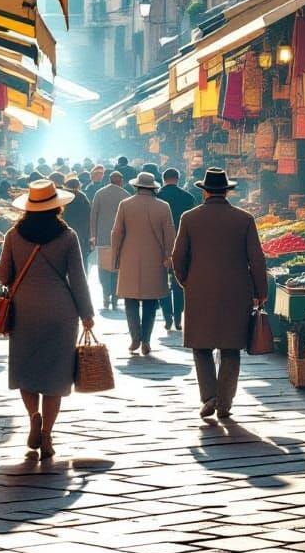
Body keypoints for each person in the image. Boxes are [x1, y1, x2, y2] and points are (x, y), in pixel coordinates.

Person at [0, 180, 95, 460]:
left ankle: (33, 417)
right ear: (57, 206)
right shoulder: (68, 236)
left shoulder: (14, 235)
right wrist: (86, 313)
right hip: (60, 312)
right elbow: (78, 278)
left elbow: (3, 275)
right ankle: (49, 434)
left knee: (26, 370)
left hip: (24, 310)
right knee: (55, 375)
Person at [172, 168, 267, 421]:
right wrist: (261, 290)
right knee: (230, 347)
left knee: (200, 347)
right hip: (237, 291)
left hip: (199, 290)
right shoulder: (244, 219)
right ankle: (225, 403)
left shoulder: (189, 218)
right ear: (227, 191)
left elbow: (177, 257)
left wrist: (186, 282)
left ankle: (209, 397)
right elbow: (256, 258)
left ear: (204, 191)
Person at [110, 172, 176, 356]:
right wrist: (168, 256)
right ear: (153, 187)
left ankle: (134, 338)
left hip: (129, 256)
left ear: (137, 186)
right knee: (150, 301)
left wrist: (115, 256)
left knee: (130, 300)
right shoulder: (163, 207)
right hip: (155, 258)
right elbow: (169, 234)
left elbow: (117, 233)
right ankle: (146, 339)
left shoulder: (125, 204)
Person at [157, 168, 195, 331]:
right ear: (178, 179)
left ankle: (167, 316)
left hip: (160, 245)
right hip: (183, 244)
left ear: (163, 178)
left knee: (162, 282)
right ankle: (179, 317)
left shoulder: (157, 198)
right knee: (179, 281)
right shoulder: (188, 197)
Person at [90, 171, 129, 309]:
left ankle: (105, 295)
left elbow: (93, 215)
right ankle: (115, 297)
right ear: (121, 181)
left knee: (104, 269)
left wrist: (93, 236)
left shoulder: (99, 193)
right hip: (120, 239)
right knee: (117, 269)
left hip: (103, 239)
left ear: (109, 180)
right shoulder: (125, 195)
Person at [62, 177, 91, 258]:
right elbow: (88, 215)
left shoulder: (63, 197)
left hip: (65, 230)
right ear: (78, 186)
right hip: (81, 231)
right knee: (81, 256)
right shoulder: (82, 197)